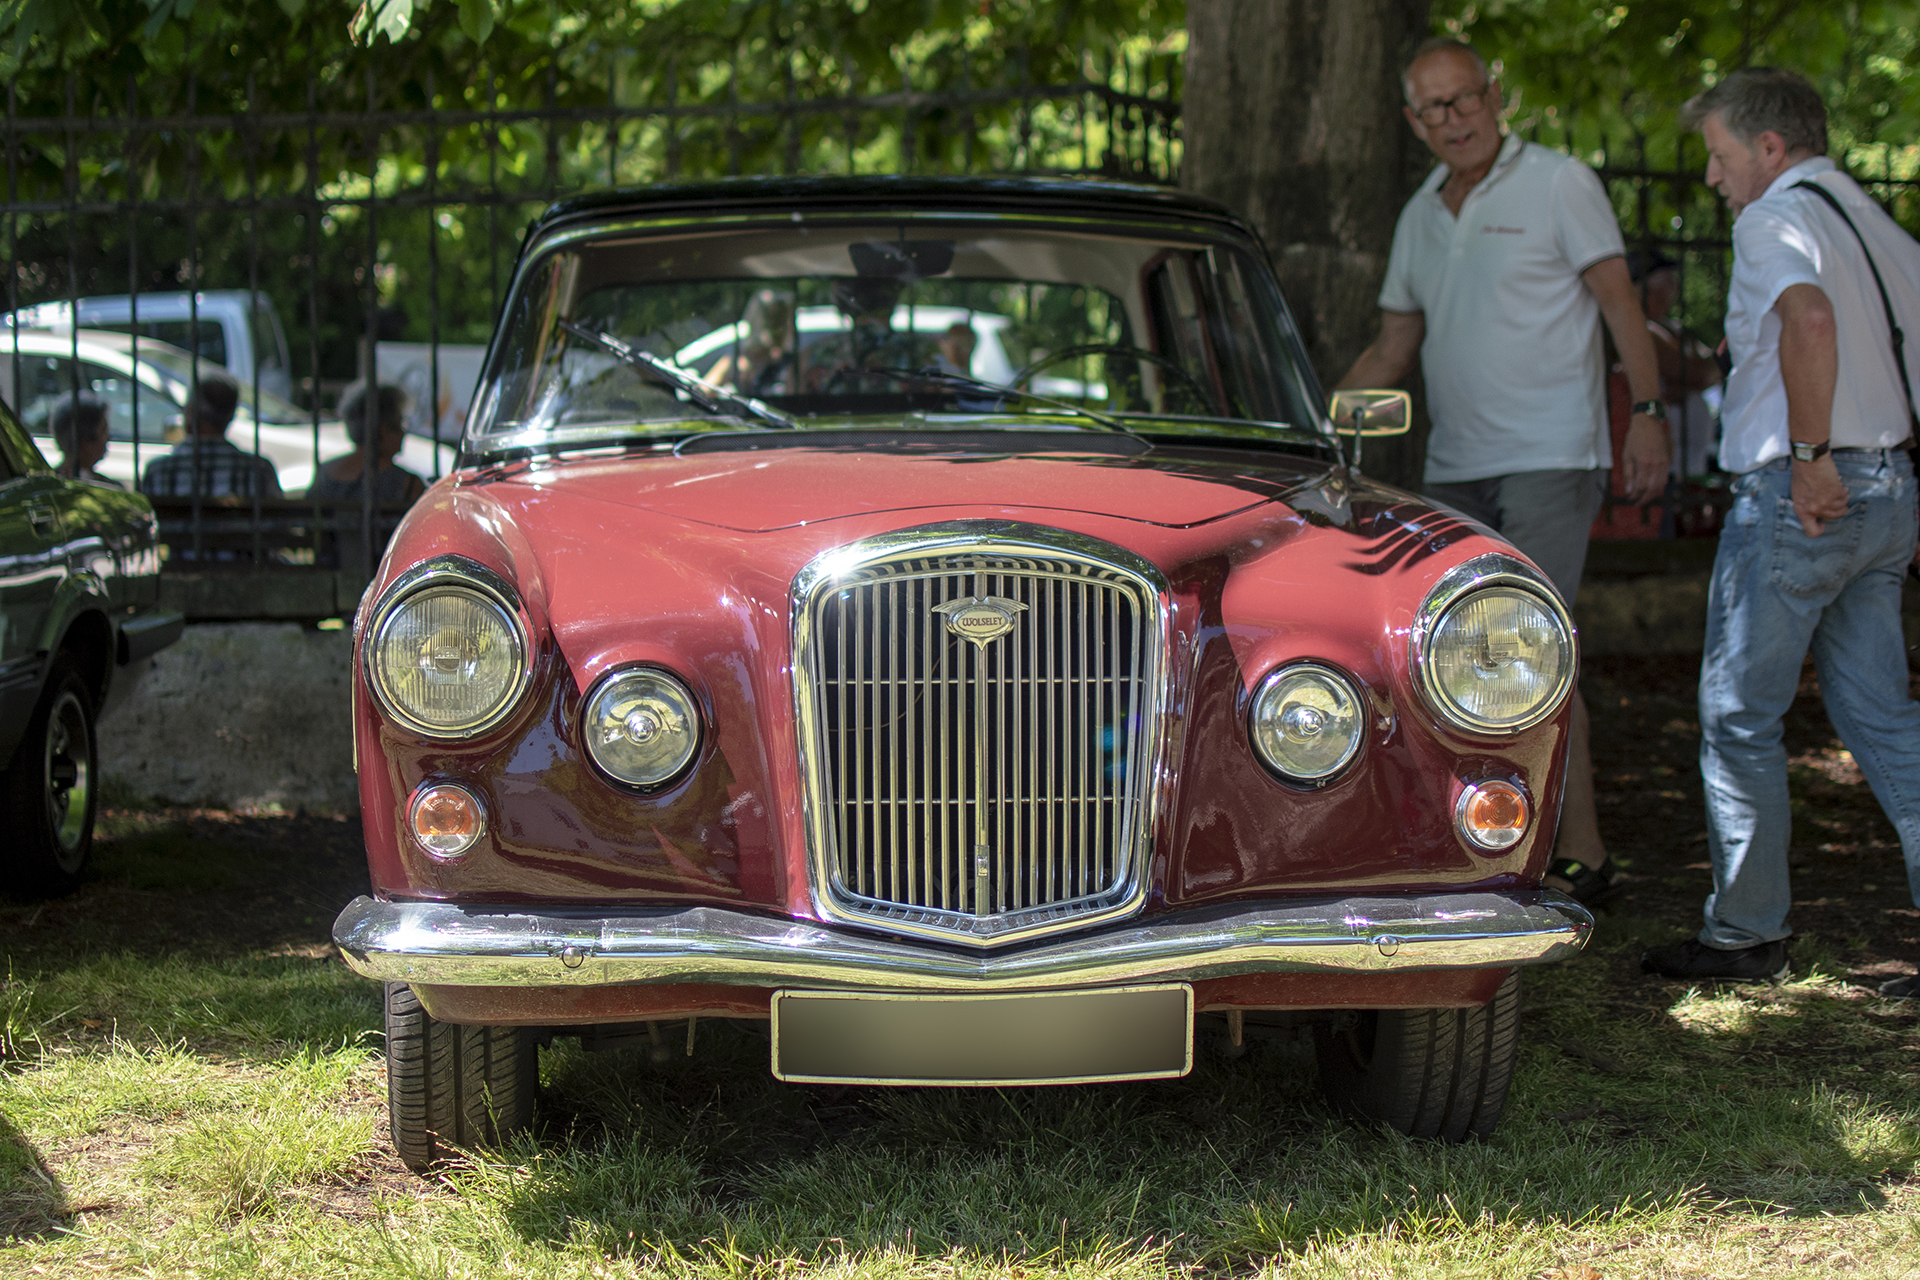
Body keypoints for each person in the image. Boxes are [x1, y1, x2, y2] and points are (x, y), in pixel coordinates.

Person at [1335, 36, 1670, 905]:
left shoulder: (1560, 181)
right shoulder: (1420, 213)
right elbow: (1394, 345)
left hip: (1551, 457)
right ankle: (1467, 845)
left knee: (1526, 653)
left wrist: (1651, 415)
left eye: (1468, 99)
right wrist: (1309, 432)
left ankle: (1585, 859)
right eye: (1436, 109)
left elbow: (1619, 303)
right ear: (1413, 121)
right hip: (1456, 467)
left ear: (1495, 95)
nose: (1457, 120)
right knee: (1447, 661)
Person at [1640, 69, 1920, 996]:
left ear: (1769, 147)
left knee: (1736, 715)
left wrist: (1808, 454)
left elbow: (1807, 316)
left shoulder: (1774, 220)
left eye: (1720, 156)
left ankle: (1747, 933)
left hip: (1806, 493)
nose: (1714, 179)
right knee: (1883, 720)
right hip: (1886, 487)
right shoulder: (1884, 230)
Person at [314, 382, 427, 574]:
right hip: (385, 576)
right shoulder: (407, 484)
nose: (403, 433)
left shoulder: (324, 474)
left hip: (329, 571)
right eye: (399, 424)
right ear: (383, 429)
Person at [140, 371, 281, 499]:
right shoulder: (260, 470)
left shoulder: (158, 471)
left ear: (190, 415)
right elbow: (279, 523)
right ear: (230, 417)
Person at [49, 392, 122, 488]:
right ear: (84, 442)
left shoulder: (47, 485)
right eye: (103, 431)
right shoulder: (107, 491)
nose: (107, 439)